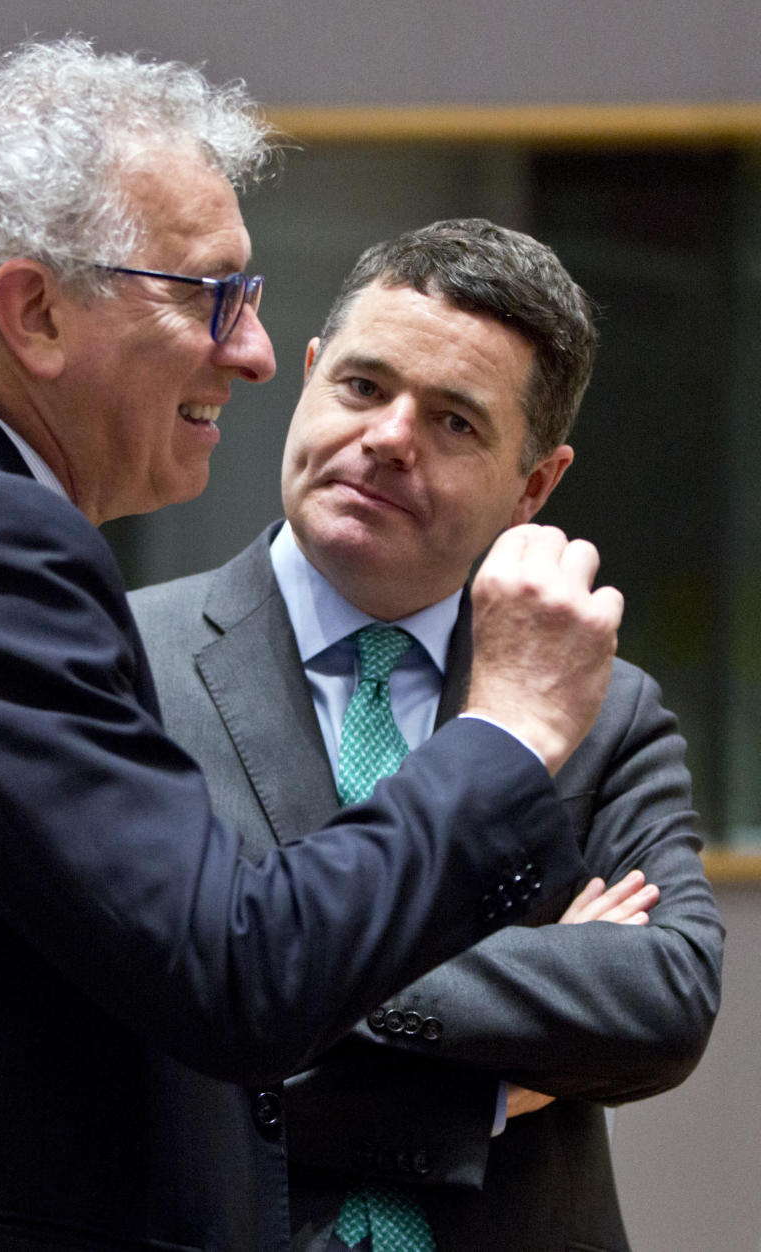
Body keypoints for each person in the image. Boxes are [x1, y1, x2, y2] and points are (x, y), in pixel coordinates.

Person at [0, 44, 625, 1252]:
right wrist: (508, 729)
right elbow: (239, 973)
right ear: (34, 312)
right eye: (211, 295)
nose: (248, 352)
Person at [130, 219, 724, 1252]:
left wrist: (261, 962)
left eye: (454, 422)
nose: (391, 435)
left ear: (535, 485)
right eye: (363, 386)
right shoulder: (121, 660)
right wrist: (490, 1078)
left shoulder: (600, 702)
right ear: (309, 376)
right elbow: (124, 1043)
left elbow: (665, 998)